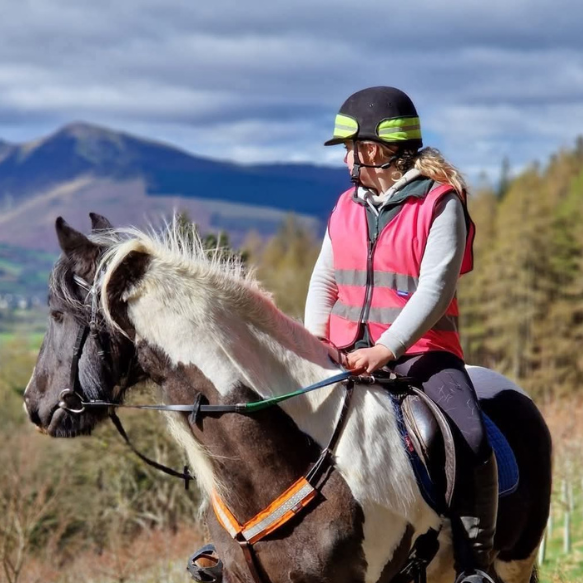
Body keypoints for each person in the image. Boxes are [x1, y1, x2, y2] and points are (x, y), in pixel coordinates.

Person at [304, 86, 498, 583]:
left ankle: (474, 564)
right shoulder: (346, 205)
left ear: (372, 149)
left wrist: (387, 348)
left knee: (470, 437)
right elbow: (325, 278)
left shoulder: (441, 204)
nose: (347, 159)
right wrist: (312, 342)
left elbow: (435, 289)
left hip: (422, 354)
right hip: (343, 352)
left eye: (350, 148)